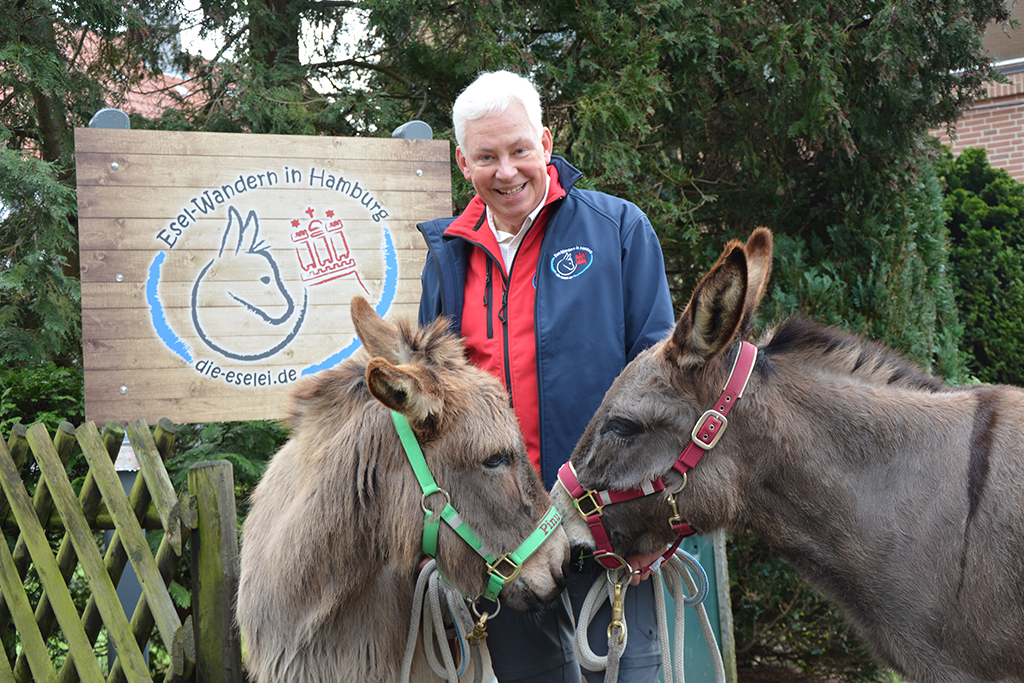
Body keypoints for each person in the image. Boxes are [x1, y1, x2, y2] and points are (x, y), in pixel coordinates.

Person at [417, 70, 675, 683]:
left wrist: (657, 519)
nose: (506, 171)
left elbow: (667, 383)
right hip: (507, 538)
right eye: (486, 157)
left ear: (546, 143)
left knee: (631, 674)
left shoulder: (618, 230)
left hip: (610, 522)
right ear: (463, 162)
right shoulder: (448, 258)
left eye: (518, 150)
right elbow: (434, 416)